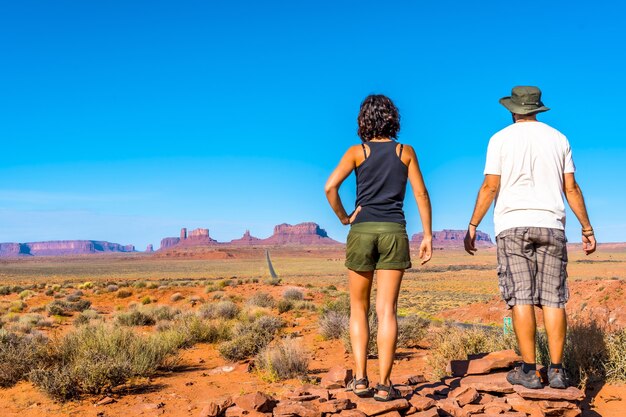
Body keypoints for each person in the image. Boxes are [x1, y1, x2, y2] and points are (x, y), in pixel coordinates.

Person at [464, 86, 597, 389]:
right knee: (554, 299)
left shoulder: (499, 139)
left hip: (512, 225)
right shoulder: (559, 138)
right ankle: (558, 371)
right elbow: (571, 188)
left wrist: (473, 225)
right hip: (552, 224)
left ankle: (528, 370)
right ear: (537, 109)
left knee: (520, 296)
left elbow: (489, 187)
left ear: (513, 109)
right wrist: (587, 228)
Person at [325, 94, 432, 401]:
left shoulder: (357, 152)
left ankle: (359, 379)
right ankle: (385, 385)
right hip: (393, 232)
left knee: (358, 308)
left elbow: (330, 187)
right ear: (392, 118)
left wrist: (345, 217)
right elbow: (421, 195)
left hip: (361, 230)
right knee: (387, 311)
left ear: (364, 120)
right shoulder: (405, 151)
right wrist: (427, 235)